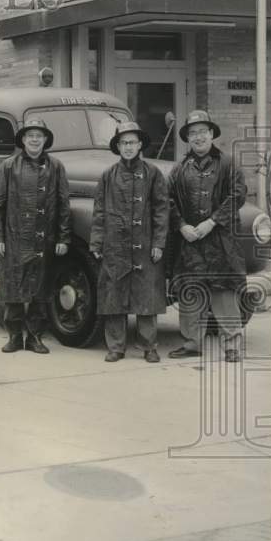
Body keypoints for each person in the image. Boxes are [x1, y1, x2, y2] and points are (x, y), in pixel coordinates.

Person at [167, 110, 247, 362]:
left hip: (219, 240)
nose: (198, 137)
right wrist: (181, 226)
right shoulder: (179, 169)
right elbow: (168, 201)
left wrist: (212, 222)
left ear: (211, 134)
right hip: (190, 240)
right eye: (193, 133)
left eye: (203, 132)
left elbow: (238, 195)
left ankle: (232, 345)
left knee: (224, 290)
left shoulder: (228, 163)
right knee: (191, 289)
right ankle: (192, 342)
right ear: (187, 138)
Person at [90, 122, 169, 363]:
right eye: (123, 143)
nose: (128, 147)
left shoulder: (153, 174)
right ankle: (116, 346)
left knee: (147, 296)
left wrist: (158, 242)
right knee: (114, 294)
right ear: (118, 146)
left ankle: (149, 346)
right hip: (116, 244)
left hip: (145, 244)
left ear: (140, 144)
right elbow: (99, 212)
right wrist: (97, 242)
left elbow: (161, 210)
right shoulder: (108, 176)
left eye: (132, 142)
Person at [0, 117, 71, 354]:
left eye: (39, 136)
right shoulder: (8, 166)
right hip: (15, 236)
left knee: (40, 288)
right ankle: (14, 336)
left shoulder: (56, 167)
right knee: (14, 287)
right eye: (30, 136)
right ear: (23, 139)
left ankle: (35, 337)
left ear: (45, 140)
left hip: (43, 237)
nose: (34, 140)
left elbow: (63, 204)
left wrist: (63, 238)